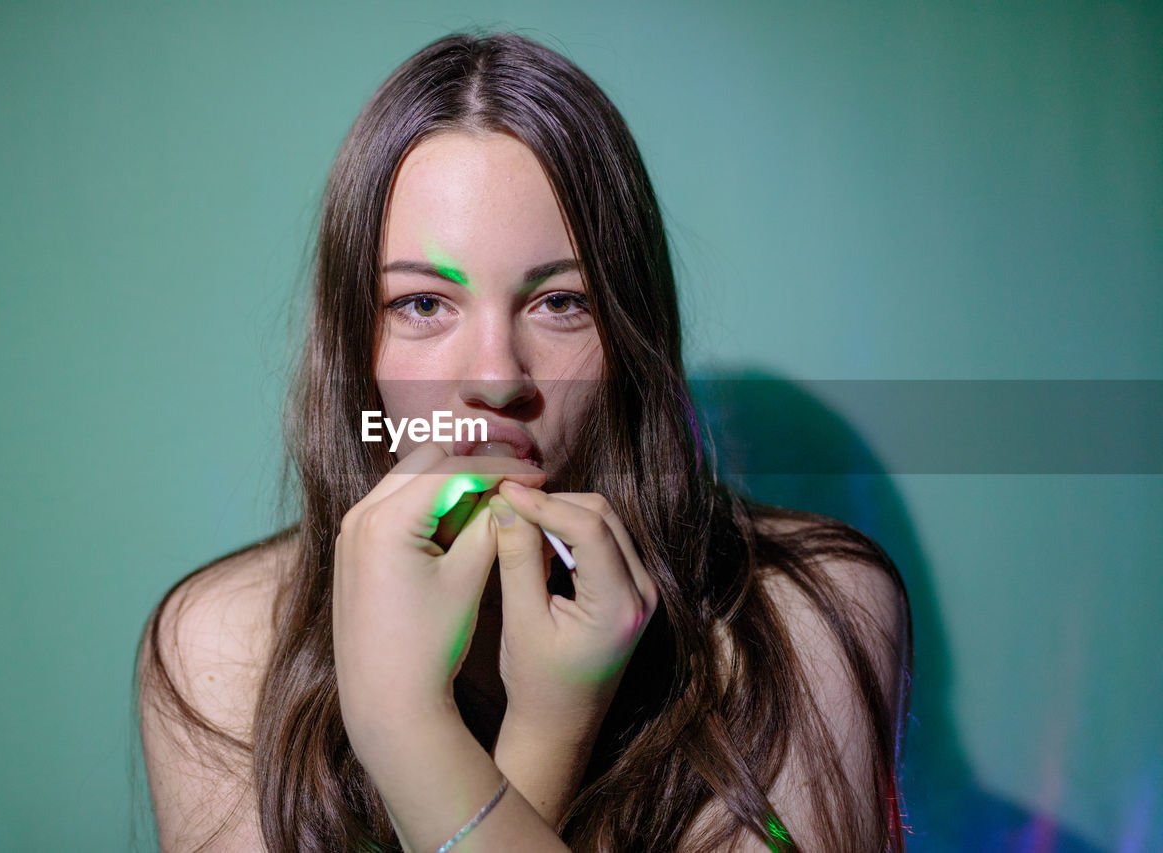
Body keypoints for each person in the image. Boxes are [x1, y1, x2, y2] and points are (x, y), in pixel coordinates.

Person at [136, 30, 912, 853]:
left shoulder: (802, 616)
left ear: (630, 333)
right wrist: (529, 740)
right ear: (354, 349)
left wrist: (412, 732)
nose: (498, 378)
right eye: (424, 305)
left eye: (561, 302)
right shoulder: (222, 646)